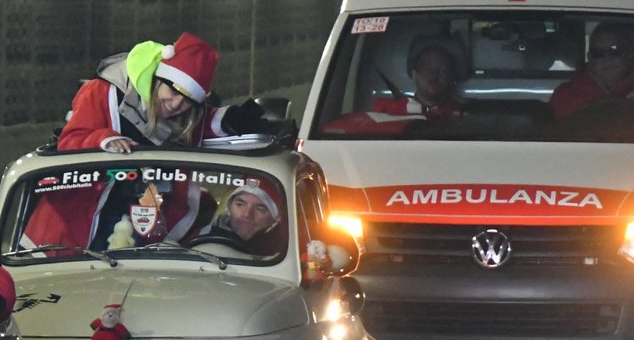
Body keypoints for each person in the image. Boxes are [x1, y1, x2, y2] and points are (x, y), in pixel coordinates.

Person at [56, 32, 269, 152]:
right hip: (81, 214)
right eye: (173, 92)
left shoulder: (185, 119)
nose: (176, 105)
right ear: (157, 80)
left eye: (187, 100)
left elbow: (204, 124)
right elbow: (68, 142)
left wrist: (230, 119)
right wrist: (105, 139)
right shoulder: (102, 92)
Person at [322, 37, 466, 135]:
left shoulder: (466, 116)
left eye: (443, 70)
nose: (434, 75)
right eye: (427, 68)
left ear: (452, 76)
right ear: (413, 73)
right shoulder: (385, 114)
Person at [551, 22, 634, 123]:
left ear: (629, 53)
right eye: (598, 53)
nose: (607, 58)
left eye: (614, 51)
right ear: (590, 58)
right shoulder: (567, 93)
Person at [188, 180, 283, 252]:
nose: (247, 214)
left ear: (274, 219)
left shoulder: (282, 252)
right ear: (229, 207)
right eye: (240, 204)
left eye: (260, 208)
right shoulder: (201, 236)